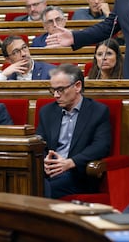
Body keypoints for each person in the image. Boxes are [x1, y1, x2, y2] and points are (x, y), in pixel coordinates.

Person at [37, 64, 111, 198]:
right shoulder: (47, 111)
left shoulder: (98, 111)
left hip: (78, 174)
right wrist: (44, 161)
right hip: (48, 172)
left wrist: (71, 162)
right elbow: (39, 143)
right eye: (52, 90)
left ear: (77, 86)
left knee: (42, 188)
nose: (55, 95)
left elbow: (101, 146)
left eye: (60, 89)